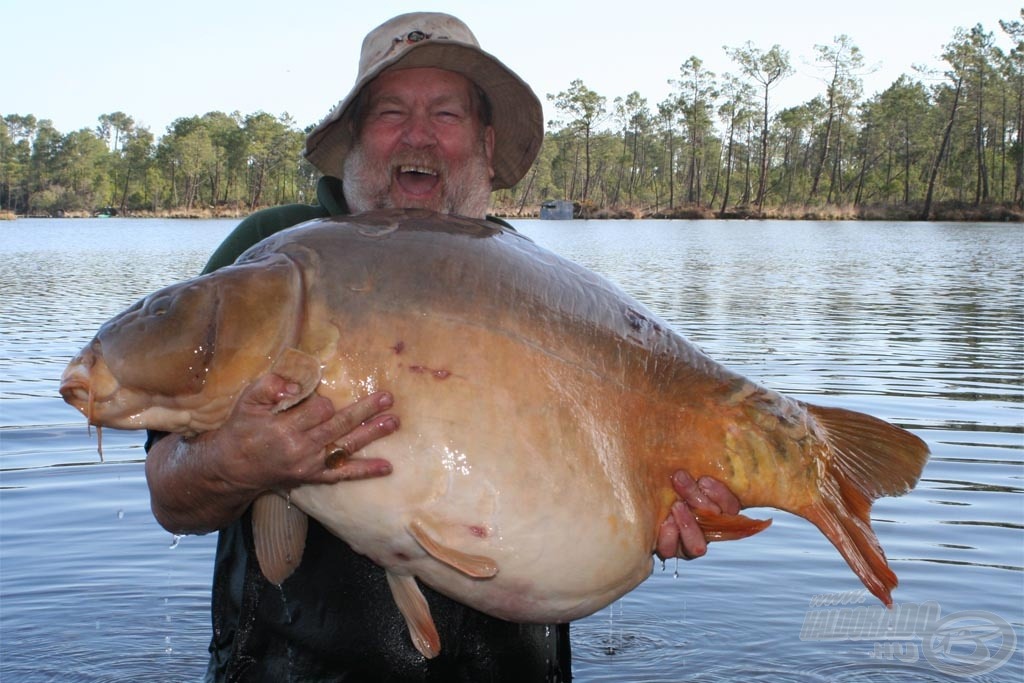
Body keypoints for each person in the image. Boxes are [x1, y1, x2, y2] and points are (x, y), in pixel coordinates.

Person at [145, 12, 741, 682]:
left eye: (446, 114)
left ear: (485, 142)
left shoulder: (537, 282)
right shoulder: (271, 258)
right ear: (354, 139)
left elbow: (604, 483)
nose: (418, 135)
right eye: (392, 111)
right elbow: (169, 489)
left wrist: (667, 507)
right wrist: (237, 459)